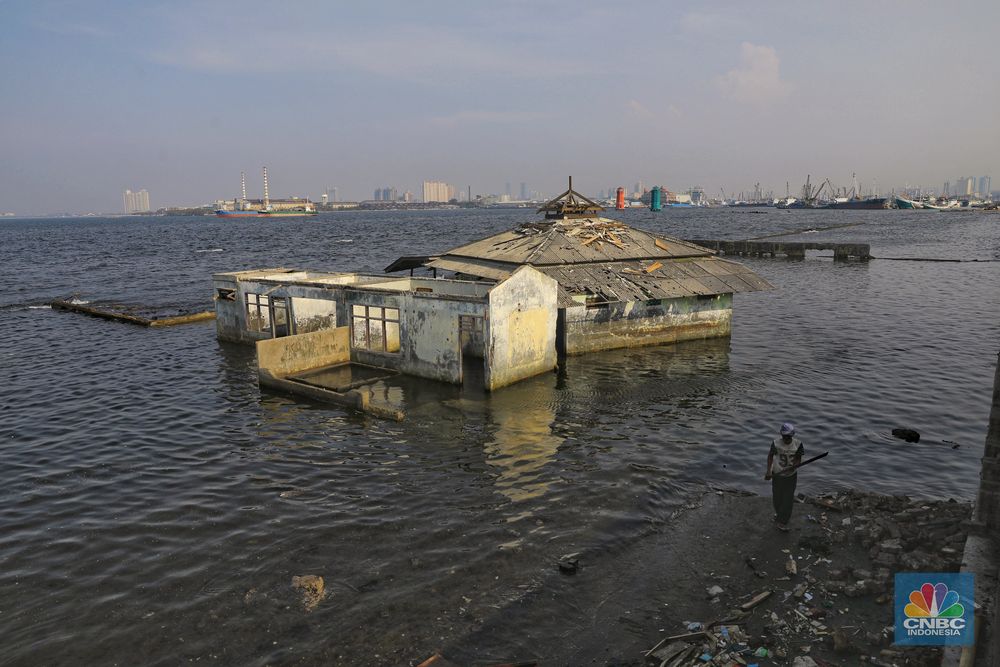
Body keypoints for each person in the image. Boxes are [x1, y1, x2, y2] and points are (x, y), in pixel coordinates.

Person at [765, 422, 804, 531]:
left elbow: (798, 458)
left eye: (788, 437)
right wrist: (768, 471)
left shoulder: (798, 444)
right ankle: (779, 514)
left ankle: (783, 521)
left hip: (791, 476)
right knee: (777, 498)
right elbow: (770, 456)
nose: (786, 439)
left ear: (792, 435)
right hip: (777, 474)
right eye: (784, 436)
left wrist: (794, 466)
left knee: (787, 499)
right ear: (781, 435)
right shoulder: (776, 443)